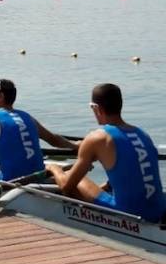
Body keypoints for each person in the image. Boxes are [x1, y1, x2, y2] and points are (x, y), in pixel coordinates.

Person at [47, 83, 165, 223]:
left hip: (129, 215)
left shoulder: (97, 138)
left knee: (66, 176)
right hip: (160, 210)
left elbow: (67, 186)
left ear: (97, 108)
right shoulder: (143, 134)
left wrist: (54, 169)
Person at [0, 79, 77, 181]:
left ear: (0, 97)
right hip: (38, 176)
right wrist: (76, 146)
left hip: (11, 181)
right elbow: (54, 140)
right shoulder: (27, 117)